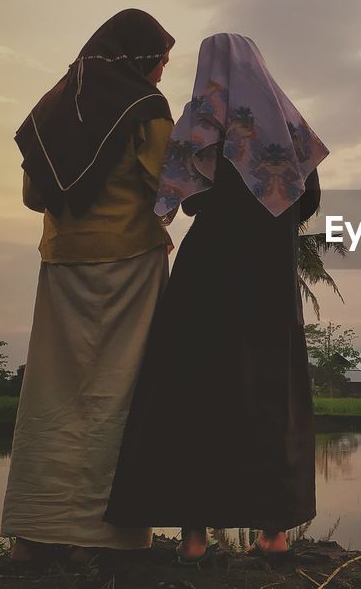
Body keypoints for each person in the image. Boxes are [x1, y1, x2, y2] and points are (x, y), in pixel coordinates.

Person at [105, 33, 329, 562]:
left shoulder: (199, 121)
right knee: (270, 387)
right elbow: (308, 199)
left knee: (193, 386)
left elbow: (185, 202)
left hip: (208, 268)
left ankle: (194, 538)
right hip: (269, 269)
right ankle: (272, 534)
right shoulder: (288, 123)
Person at [2, 8, 176, 562]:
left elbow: (34, 196)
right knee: (122, 394)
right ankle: (105, 539)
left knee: (52, 396)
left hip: (61, 266)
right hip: (129, 264)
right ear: (140, 60)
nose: (161, 76)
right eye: (160, 63)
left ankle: (34, 533)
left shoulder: (53, 109)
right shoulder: (145, 110)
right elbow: (171, 185)